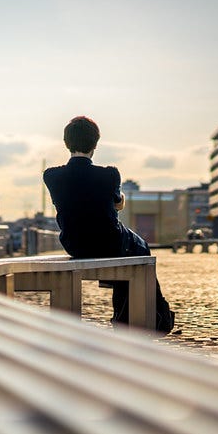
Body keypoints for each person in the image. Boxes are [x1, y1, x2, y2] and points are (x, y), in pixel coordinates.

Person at [43, 116, 175, 332]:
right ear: (95, 144)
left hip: (74, 244)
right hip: (109, 242)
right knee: (140, 248)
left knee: (131, 252)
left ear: (66, 143)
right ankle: (149, 317)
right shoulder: (109, 174)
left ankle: (134, 316)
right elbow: (118, 204)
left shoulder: (51, 176)